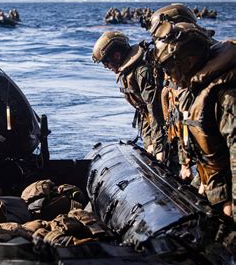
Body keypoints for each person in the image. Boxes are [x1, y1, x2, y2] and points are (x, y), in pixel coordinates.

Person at [152, 21, 235, 221]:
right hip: (213, 183)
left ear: (188, 61)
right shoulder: (194, 89)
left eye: (170, 67)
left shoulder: (226, 95)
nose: (168, 74)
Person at [92, 31, 166, 161]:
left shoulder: (142, 72)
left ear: (116, 56)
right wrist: (149, 143)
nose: (106, 67)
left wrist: (159, 148)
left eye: (106, 62)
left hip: (167, 131)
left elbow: (155, 110)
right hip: (156, 129)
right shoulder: (127, 72)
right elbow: (144, 113)